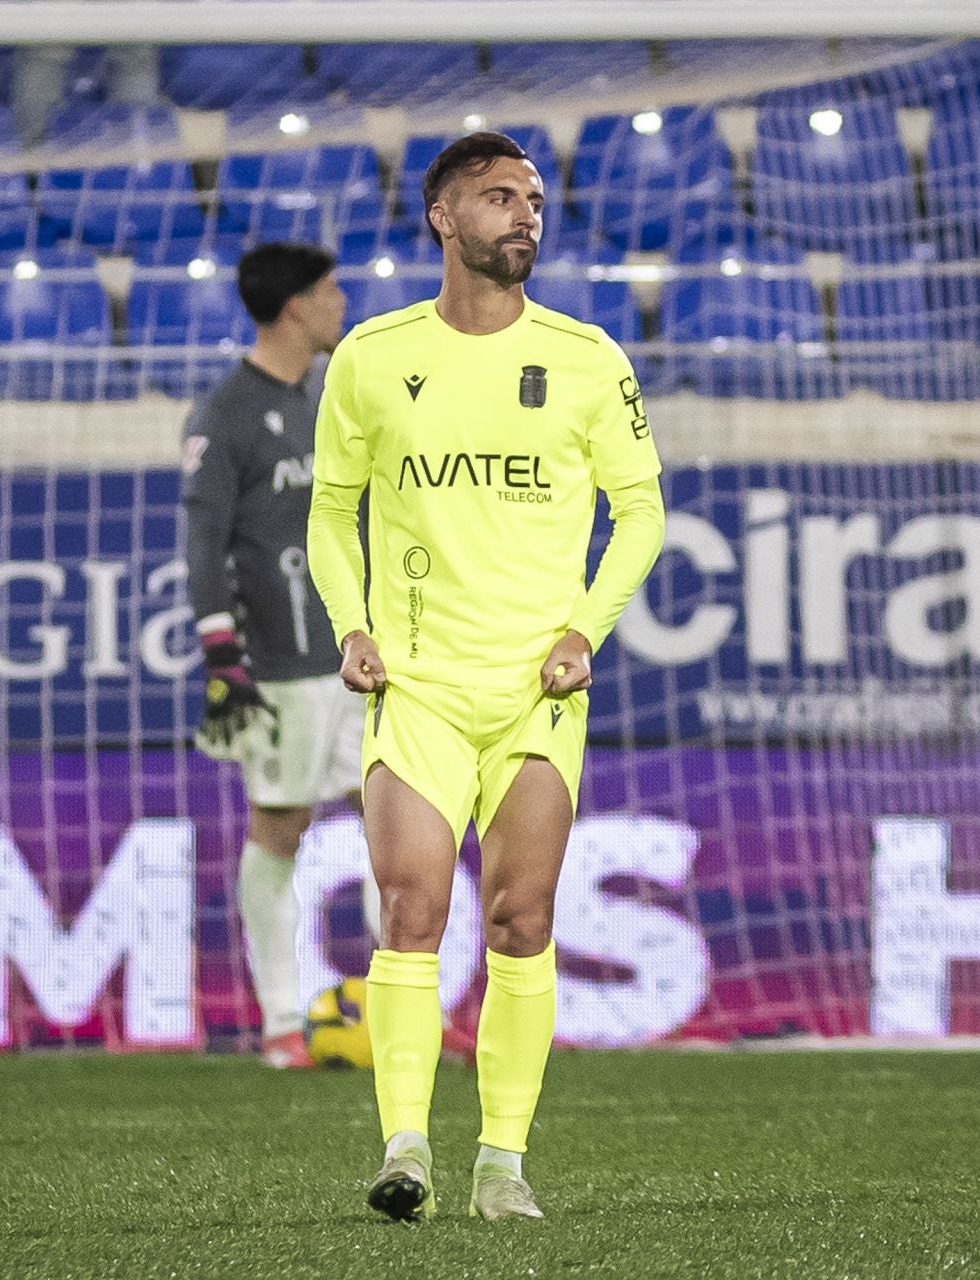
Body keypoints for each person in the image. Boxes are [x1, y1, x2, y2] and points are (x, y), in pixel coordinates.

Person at [306, 132, 666, 1223]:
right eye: (500, 196)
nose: (525, 215)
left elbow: (641, 511)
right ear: (443, 216)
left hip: (534, 690)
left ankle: (501, 1163)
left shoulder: (588, 357)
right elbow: (330, 510)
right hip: (416, 683)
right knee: (411, 907)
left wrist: (586, 629)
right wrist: (351, 626)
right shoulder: (372, 355)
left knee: (520, 916)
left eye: (535, 200)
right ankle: (406, 1148)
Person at [182, 241, 372, 1070]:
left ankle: (405, 1012)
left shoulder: (330, 399)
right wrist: (221, 653)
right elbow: (202, 542)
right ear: (295, 305)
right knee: (281, 828)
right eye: (329, 291)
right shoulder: (224, 414)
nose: (341, 303)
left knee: (395, 820)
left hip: (360, 658)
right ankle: (283, 1025)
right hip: (282, 668)